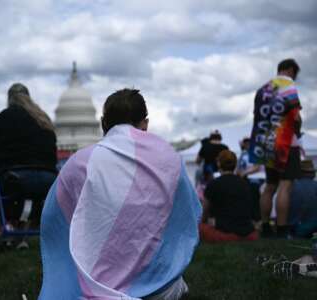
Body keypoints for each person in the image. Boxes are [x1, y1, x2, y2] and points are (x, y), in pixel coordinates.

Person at [39, 89, 202, 300]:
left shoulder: (80, 163)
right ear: (145, 123)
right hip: (162, 288)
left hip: (96, 288)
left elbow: (55, 220)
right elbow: (189, 215)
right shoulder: (170, 159)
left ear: (102, 123)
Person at [0, 83, 58, 250]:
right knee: (31, 196)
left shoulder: (9, 115)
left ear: (10, 99)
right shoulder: (44, 119)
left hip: (15, 176)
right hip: (49, 179)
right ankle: (22, 238)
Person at [249, 58, 302, 238]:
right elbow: (296, 117)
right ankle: (281, 229)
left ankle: (265, 226)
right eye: (295, 74)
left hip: (265, 143)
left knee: (270, 185)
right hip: (285, 144)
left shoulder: (263, 89)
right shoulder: (288, 84)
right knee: (285, 186)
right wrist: (298, 132)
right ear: (289, 70)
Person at [200, 150, 258, 242]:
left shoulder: (213, 184)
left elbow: (204, 215)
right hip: (248, 233)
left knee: (200, 227)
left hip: (224, 232)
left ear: (219, 164)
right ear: (235, 164)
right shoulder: (245, 184)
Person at [236, 137, 264, 222]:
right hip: (245, 180)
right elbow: (238, 167)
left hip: (256, 180)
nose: (247, 144)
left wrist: (244, 173)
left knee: (254, 196)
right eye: (246, 143)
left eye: (249, 143)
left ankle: (256, 218)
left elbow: (257, 167)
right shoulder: (243, 154)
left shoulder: (257, 152)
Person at [288, 160, 317, 238]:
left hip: (292, 229)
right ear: (313, 173)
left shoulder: (289, 187)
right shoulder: (315, 185)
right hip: (310, 228)